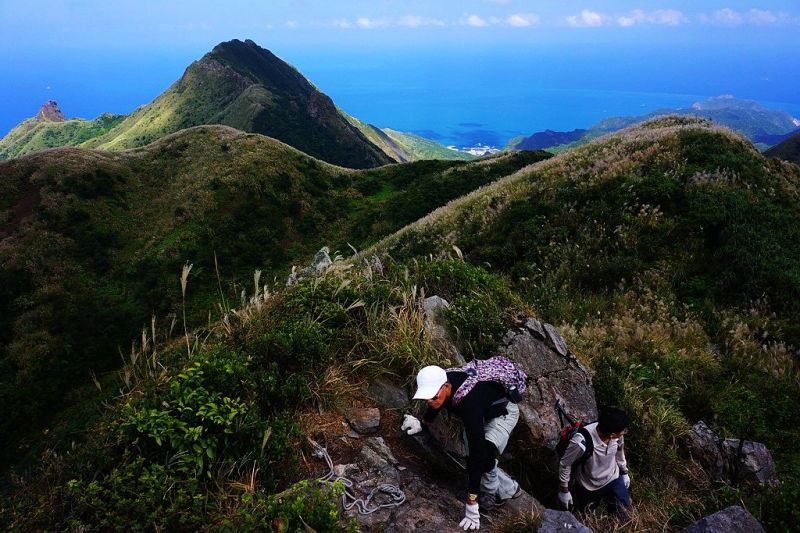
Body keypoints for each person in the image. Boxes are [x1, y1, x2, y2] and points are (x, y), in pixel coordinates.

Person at [401, 365, 523, 531]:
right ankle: (505, 486)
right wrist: (423, 423)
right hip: (482, 411)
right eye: (426, 397)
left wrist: (472, 502)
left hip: (503, 413)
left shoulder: (469, 402)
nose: (430, 401)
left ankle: (499, 491)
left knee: (482, 455)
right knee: (474, 459)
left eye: (433, 396)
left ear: (446, 387)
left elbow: (478, 454)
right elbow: (437, 402)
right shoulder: (445, 381)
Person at [558, 408, 632, 522]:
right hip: (588, 486)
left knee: (624, 515)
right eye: (623, 431)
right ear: (611, 435)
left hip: (613, 478)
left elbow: (619, 451)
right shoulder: (581, 441)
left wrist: (624, 471)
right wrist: (564, 490)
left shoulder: (617, 435)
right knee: (590, 520)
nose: (623, 433)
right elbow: (565, 464)